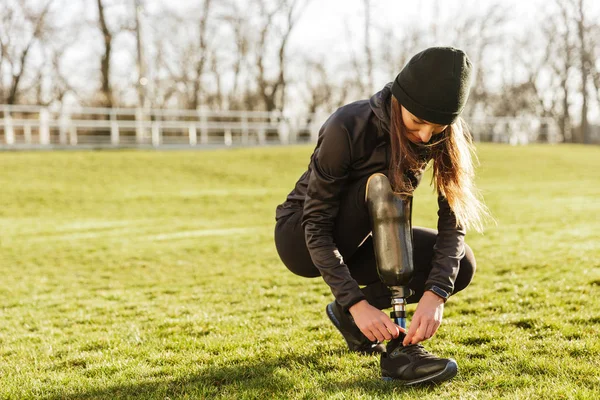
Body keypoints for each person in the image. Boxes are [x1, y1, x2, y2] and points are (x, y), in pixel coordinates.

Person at [274, 47, 488, 385]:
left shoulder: (439, 136)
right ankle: (396, 350)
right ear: (399, 100)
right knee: (385, 185)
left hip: (368, 234)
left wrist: (435, 294)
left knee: (461, 264)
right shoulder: (348, 125)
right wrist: (358, 303)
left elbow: (453, 222)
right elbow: (316, 224)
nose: (424, 136)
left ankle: (350, 321)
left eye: (438, 126)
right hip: (301, 236)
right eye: (418, 122)